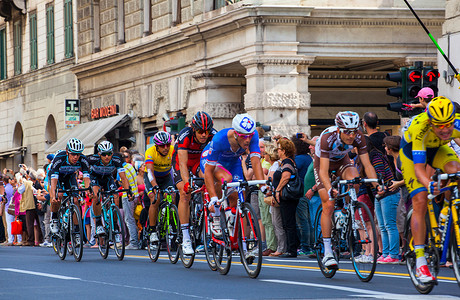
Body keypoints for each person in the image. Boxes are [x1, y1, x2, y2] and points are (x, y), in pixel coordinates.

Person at [400, 96, 460, 283]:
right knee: (420, 199)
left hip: (438, 149)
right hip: (412, 153)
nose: (445, 130)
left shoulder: (457, 122)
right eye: (439, 125)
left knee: (456, 171)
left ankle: (448, 209)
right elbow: (419, 169)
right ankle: (420, 262)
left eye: (448, 125)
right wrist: (428, 184)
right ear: (431, 121)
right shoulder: (420, 127)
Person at [315, 111, 380, 269]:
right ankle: (328, 252)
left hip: (341, 161)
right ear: (338, 130)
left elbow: (367, 165)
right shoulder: (327, 138)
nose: (351, 136)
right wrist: (330, 189)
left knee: (355, 179)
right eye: (347, 132)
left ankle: (348, 207)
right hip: (323, 164)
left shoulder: (359, 137)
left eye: (354, 131)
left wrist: (377, 186)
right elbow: (323, 172)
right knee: (328, 204)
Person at [201, 113, 265, 258]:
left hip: (233, 162)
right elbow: (208, 172)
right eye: (243, 136)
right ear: (235, 134)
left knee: (236, 194)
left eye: (249, 135)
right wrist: (212, 197)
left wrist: (262, 186)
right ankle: (216, 214)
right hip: (212, 161)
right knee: (226, 178)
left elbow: (255, 161)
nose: (247, 139)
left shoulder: (252, 135)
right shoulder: (220, 139)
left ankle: (234, 227)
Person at [172, 111, 215, 255]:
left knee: (211, 182)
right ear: (194, 129)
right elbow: (183, 164)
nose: (204, 135)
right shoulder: (185, 135)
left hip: (198, 162)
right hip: (181, 162)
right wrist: (186, 183)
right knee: (185, 193)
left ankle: (209, 223)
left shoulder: (213, 136)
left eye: (206, 131)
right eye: (201, 131)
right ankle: (185, 238)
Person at [88, 141, 131, 238]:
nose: (107, 157)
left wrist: (128, 191)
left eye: (109, 154)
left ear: (112, 153)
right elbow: (83, 168)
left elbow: (123, 178)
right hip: (95, 178)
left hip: (108, 178)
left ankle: (115, 224)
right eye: (104, 154)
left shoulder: (117, 160)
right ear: (99, 154)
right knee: (96, 196)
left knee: (116, 198)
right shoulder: (93, 159)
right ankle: (99, 224)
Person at [48, 138, 92, 235]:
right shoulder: (60, 158)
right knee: (58, 195)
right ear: (67, 152)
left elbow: (86, 177)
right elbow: (53, 179)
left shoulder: (83, 160)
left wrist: (89, 190)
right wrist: (53, 196)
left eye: (78, 154)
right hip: (57, 177)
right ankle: (54, 218)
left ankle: (76, 231)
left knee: (75, 200)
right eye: (73, 154)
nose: (76, 157)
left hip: (70, 176)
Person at [144, 131, 174, 249]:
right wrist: (155, 186)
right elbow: (150, 172)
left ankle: (171, 223)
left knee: (173, 196)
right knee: (155, 199)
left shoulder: (173, 149)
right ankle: (152, 231)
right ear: (156, 146)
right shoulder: (150, 152)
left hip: (166, 177)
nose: (165, 148)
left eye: (167, 145)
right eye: (162, 146)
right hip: (152, 178)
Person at [273, 137, 300, 258]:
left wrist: (278, 190)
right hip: (288, 197)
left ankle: (291, 250)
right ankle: (291, 248)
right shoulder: (287, 161)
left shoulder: (287, 162)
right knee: (287, 222)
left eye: (278, 149)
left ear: (283, 151)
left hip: (288, 197)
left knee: (289, 223)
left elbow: (286, 176)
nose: (277, 151)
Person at [264, 145, 284, 256]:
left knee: (277, 223)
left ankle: (280, 248)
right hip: (274, 195)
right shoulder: (274, 165)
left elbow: (270, 182)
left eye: (266, 153)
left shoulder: (275, 165)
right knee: (274, 222)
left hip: (275, 196)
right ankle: (279, 247)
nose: (264, 155)